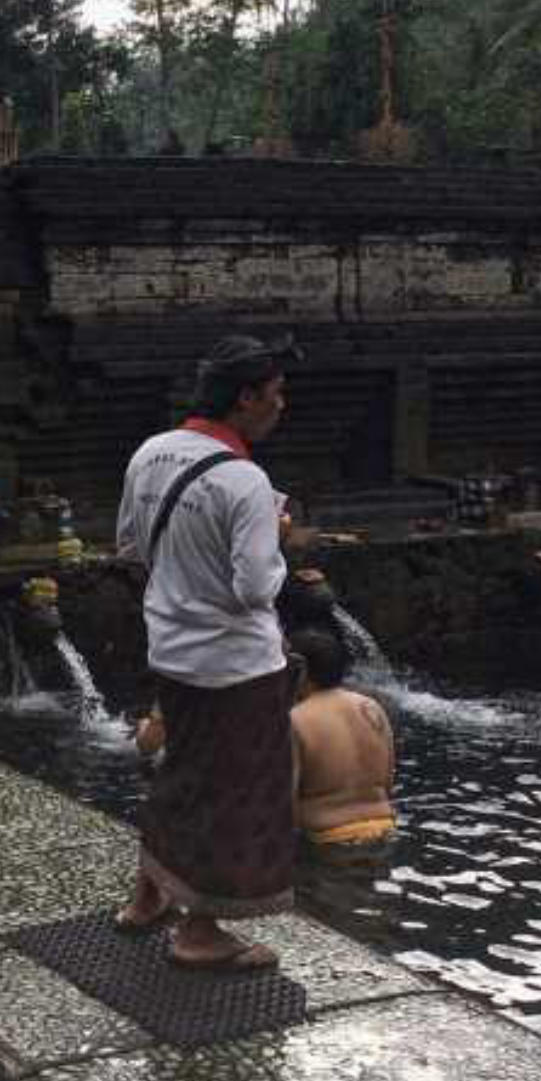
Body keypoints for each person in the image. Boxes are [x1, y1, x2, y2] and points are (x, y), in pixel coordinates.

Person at [110, 334, 309, 969]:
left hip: (171, 647)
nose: (281, 408)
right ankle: (200, 932)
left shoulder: (151, 451)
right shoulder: (245, 481)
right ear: (245, 397)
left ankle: (146, 897)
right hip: (236, 665)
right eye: (275, 396)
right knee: (237, 793)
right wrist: (278, 543)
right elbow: (254, 590)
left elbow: (128, 547)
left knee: (181, 770)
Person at [285, 625, 398, 860]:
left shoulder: (296, 719)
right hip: (384, 830)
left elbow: (286, 801)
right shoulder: (372, 708)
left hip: (327, 841)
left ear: (301, 669)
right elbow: (387, 780)